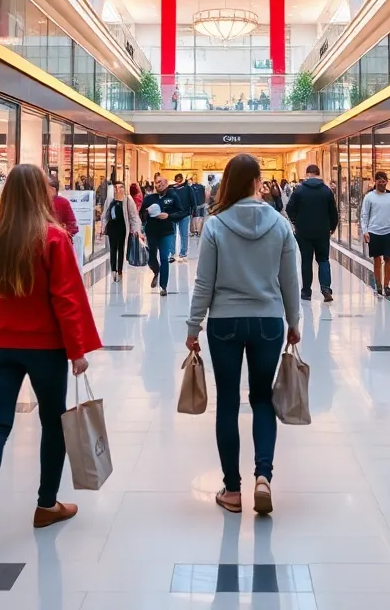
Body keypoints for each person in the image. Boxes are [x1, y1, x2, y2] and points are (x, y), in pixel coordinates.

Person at [0, 164, 102, 547]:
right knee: (53, 421)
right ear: (42, 194)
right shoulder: (53, 239)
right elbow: (67, 299)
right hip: (45, 347)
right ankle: (46, 505)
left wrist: (2, 318)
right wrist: (77, 351)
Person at [186, 153, 301, 516]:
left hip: (225, 323)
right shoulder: (280, 224)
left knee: (229, 404)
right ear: (257, 182)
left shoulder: (216, 225)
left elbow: (204, 281)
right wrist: (294, 322)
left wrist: (193, 326)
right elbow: (290, 279)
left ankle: (232, 490)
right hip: (268, 321)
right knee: (263, 399)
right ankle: (263, 476)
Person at [286, 163, 339, 302]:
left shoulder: (299, 191)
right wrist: (332, 226)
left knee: (306, 260)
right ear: (318, 173)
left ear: (307, 174)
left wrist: (296, 222)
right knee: (323, 259)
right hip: (322, 231)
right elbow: (333, 212)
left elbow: (289, 208)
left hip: (303, 232)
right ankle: (326, 289)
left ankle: (306, 291)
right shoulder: (327, 191)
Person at [360, 171, 390, 297]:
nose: (382, 183)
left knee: (388, 258)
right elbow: (364, 214)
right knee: (377, 259)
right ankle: (378, 284)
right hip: (374, 232)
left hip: (389, 231)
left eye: (384, 181)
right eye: (379, 181)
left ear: (387, 182)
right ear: (375, 181)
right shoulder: (369, 197)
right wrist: (365, 230)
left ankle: (387, 285)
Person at [140, 175, 181, 295]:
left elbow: (181, 211)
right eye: (156, 183)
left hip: (166, 232)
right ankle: (156, 271)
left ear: (166, 183)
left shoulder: (173, 196)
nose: (158, 185)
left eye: (160, 182)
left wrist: (169, 216)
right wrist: (146, 212)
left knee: (164, 257)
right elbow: (141, 215)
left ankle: (164, 287)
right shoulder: (149, 198)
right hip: (151, 232)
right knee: (151, 256)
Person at [102, 181, 141, 282]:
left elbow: (133, 216)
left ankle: (120, 270)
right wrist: (103, 226)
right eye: (116, 187)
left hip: (123, 227)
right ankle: (113, 270)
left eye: (120, 187)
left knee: (121, 248)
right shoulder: (110, 199)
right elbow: (105, 215)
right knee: (113, 249)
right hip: (112, 227)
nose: (118, 189)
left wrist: (135, 229)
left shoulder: (128, 199)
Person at [170, 173, 195, 261]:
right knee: (173, 235)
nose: (178, 181)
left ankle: (182, 253)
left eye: (179, 179)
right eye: (177, 179)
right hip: (172, 215)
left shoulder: (188, 188)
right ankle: (173, 253)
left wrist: (193, 212)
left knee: (183, 234)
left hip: (184, 215)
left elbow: (193, 200)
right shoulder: (170, 189)